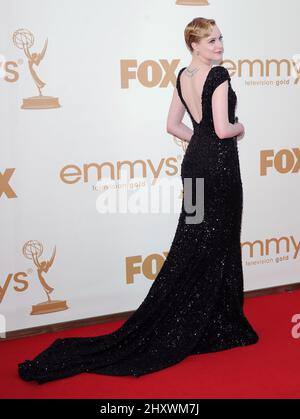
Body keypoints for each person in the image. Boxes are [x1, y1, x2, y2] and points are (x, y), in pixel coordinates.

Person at [18, 17, 259, 384]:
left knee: (190, 240)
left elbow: (173, 126)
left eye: (220, 39)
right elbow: (225, 129)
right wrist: (241, 127)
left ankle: (184, 316)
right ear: (194, 45)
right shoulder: (219, 76)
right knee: (219, 241)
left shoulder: (182, 77)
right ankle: (219, 323)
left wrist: (200, 138)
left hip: (194, 167)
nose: (219, 46)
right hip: (220, 172)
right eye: (211, 41)